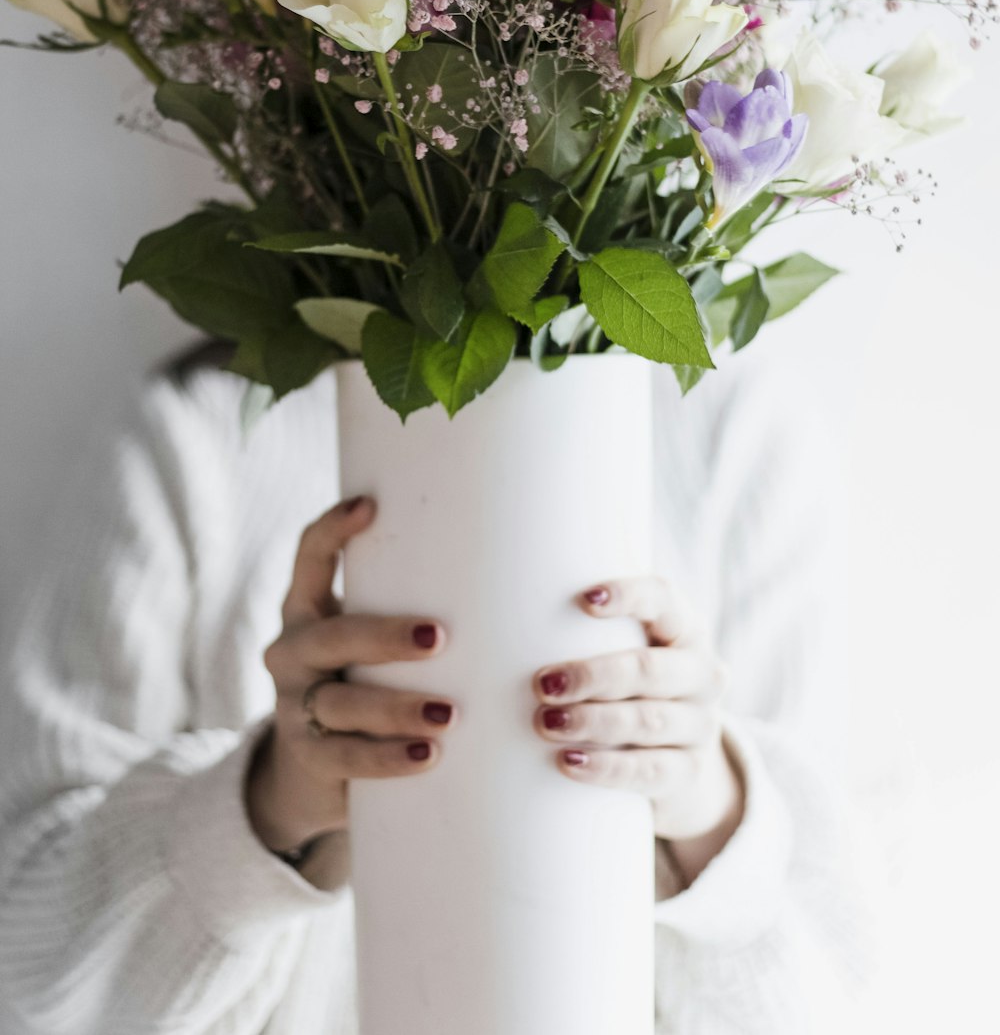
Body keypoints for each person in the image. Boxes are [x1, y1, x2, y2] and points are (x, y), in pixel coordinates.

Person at [0, 334, 872, 1034]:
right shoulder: (199, 430)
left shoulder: (722, 416)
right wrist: (274, 801)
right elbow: (32, 968)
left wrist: (705, 802)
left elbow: (847, 989)